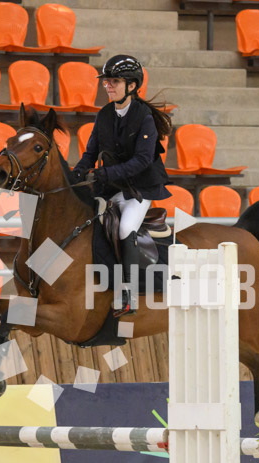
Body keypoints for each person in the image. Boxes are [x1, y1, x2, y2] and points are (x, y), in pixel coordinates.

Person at [71, 55, 173, 317]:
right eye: (106, 81)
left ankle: (129, 293)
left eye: (114, 81)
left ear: (131, 85)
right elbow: (90, 152)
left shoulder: (144, 117)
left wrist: (106, 173)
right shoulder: (104, 114)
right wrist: (78, 172)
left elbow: (142, 160)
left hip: (140, 189)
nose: (108, 86)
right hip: (112, 187)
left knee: (126, 227)